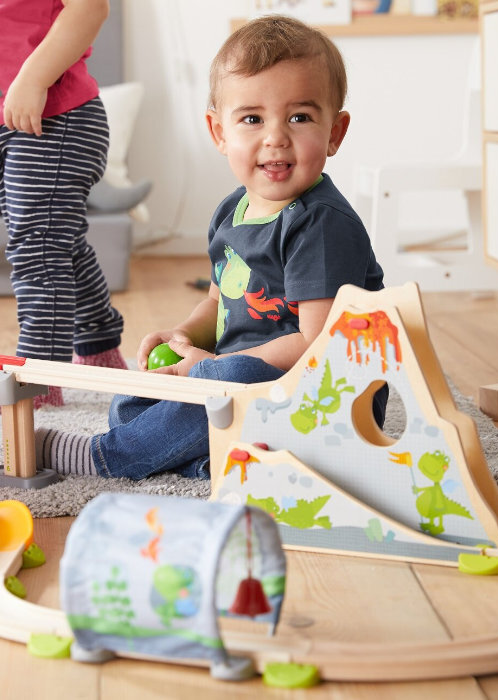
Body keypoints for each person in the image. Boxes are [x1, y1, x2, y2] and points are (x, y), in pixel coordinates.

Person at [36, 14, 384, 478]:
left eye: (299, 117)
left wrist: (214, 366)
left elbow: (316, 345)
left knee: (225, 383)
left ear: (334, 133)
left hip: (324, 401)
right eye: (252, 119)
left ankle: (109, 457)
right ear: (220, 132)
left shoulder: (321, 224)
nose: (275, 137)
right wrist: (183, 337)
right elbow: (219, 302)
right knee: (133, 400)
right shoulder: (230, 211)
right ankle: (213, 459)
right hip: (242, 383)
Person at [0, 0, 126, 410]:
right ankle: (100, 351)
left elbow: (90, 7)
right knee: (60, 245)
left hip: (53, 119)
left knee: (38, 252)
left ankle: (36, 383)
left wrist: (32, 79)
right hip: (13, 122)